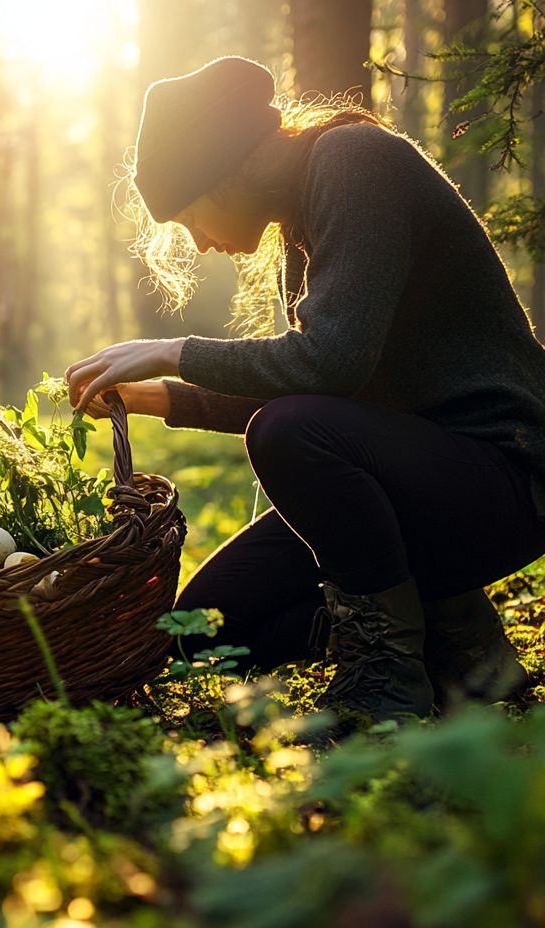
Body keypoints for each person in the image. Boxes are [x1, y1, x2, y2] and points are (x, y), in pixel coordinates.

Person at [64, 55, 545, 725]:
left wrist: (173, 351)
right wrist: (164, 395)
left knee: (286, 430)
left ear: (222, 174)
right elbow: (320, 377)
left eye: (187, 218)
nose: (197, 245)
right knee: (192, 635)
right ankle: (449, 643)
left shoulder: (355, 160)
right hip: (410, 488)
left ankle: (388, 679)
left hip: (506, 479)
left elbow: (327, 369)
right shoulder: (302, 217)